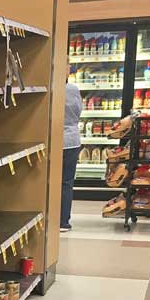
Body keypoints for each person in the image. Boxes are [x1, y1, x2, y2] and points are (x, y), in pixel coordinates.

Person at [61, 72, 82, 232]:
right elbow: (78, 111)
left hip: (54, 140)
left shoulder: (53, 89)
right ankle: (63, 221)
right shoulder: (73, 89)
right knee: (66, 183)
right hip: (72, 140)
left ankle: (50, 217)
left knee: (51, 181)